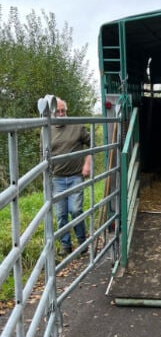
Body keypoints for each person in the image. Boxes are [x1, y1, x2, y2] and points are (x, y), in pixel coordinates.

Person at [49, 98, 92, 257]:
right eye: (57, 112)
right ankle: (65, 245)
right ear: (52, 113)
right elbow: (43, 155)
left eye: (63, 111)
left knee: (75, 210)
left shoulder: (76, 126)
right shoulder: (46, 130)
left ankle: (82, 243)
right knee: (60, 214)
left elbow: (92, 142)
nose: (61, 114)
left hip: (75, 176)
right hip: (57, 178)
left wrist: (87, 163)